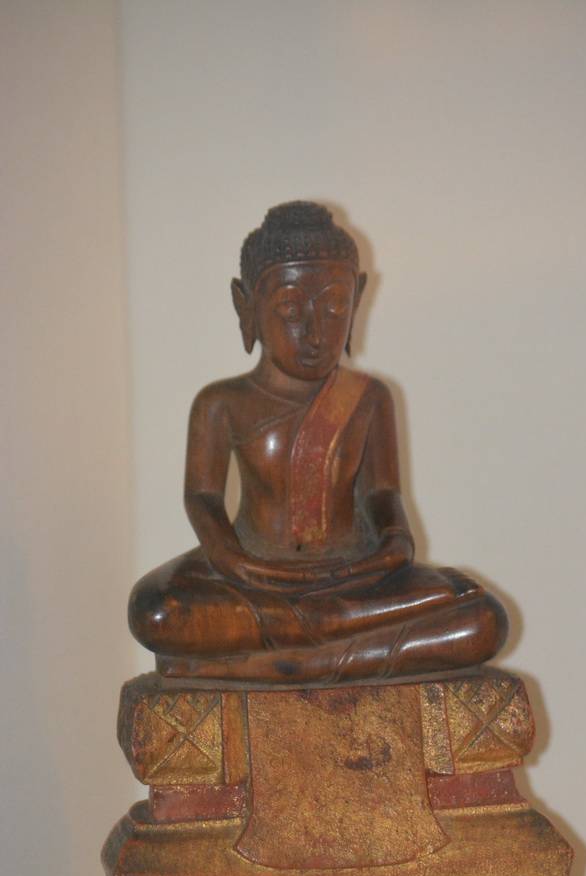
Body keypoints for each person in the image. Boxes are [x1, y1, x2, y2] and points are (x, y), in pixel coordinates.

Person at [129, 201, 507, 682]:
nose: (314, 333)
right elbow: (202, 498)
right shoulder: (221, 403)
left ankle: (280, 663)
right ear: (246, 306)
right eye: (290, 308)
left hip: (356, 577)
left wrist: (395, 543)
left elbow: (381, 494)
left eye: (333, 308)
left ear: (358, 300)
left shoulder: (368, 398)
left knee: (483, 619)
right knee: (156, 609)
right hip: (254, 579)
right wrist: (234, 562)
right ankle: (326, 650)